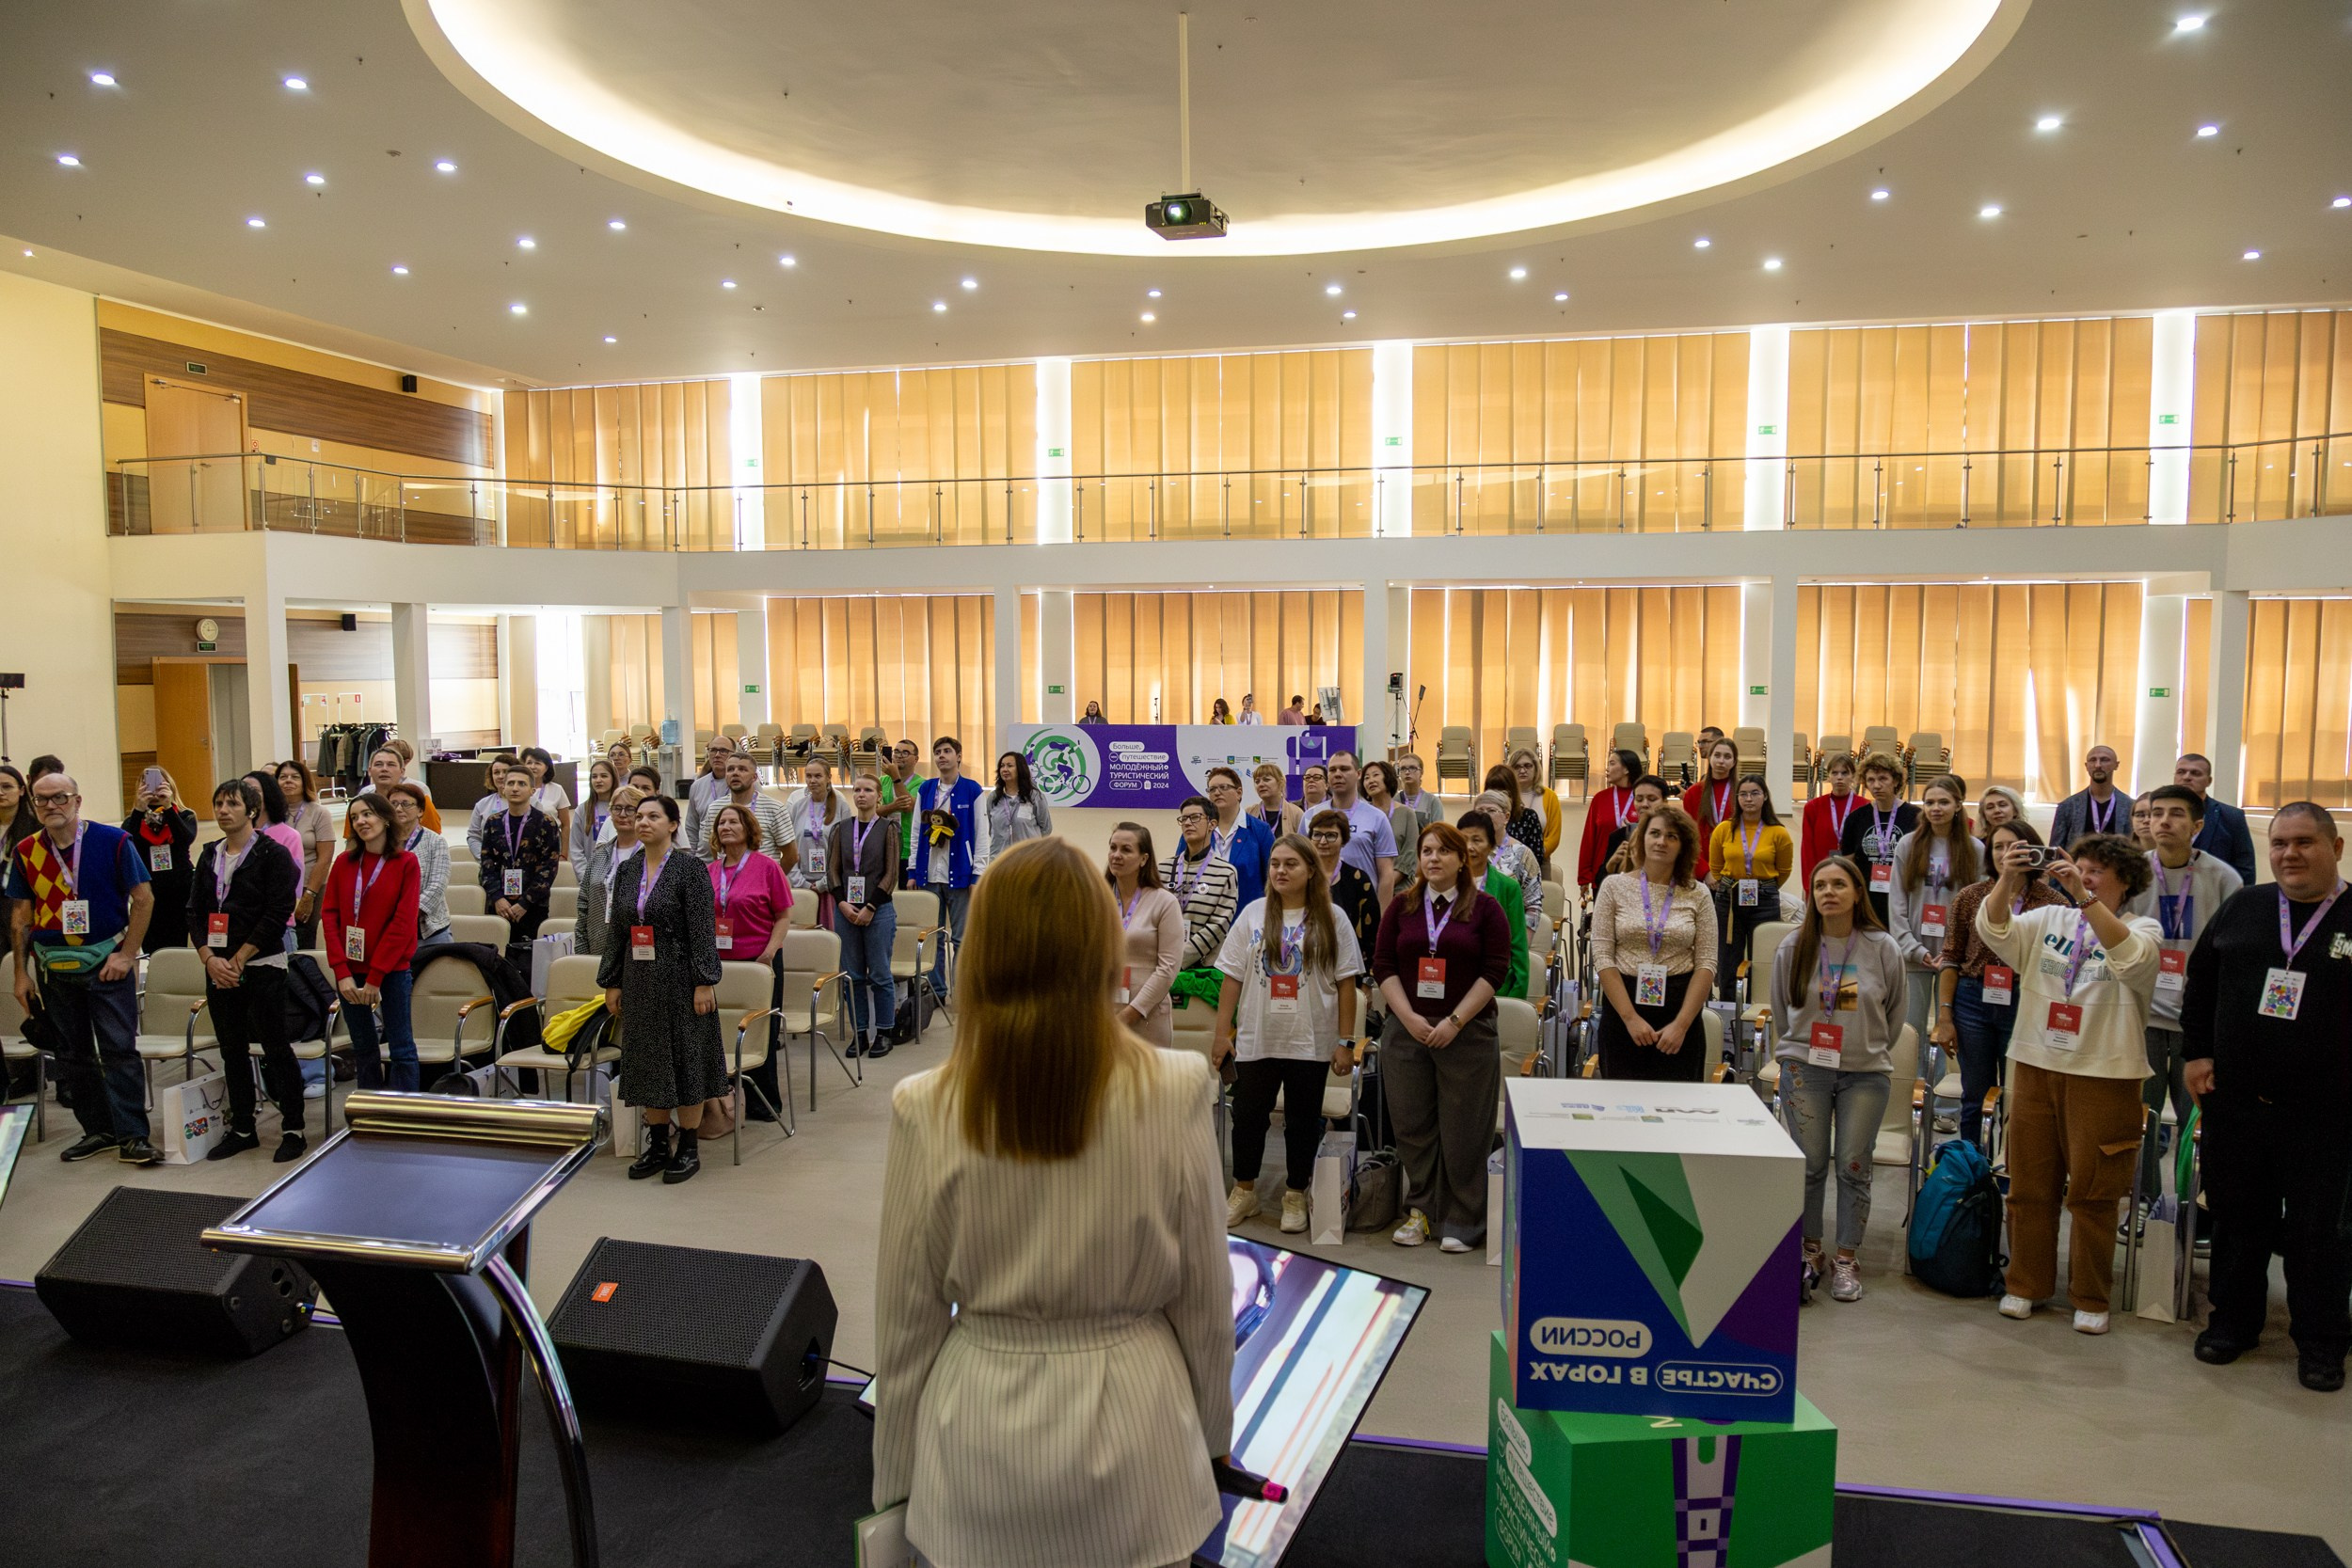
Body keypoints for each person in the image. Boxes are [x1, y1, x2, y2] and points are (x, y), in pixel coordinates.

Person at [871, 838, 1233, 1568]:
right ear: (1105, 949)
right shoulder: (1178, 1085)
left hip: (977, 1435)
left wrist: (896, 1488)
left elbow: (905, 1325)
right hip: (1139, 1430)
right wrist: (1212, 1440)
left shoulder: (924, 1104)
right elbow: (1204, 1301)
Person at [2181, 803, 2350, 1392]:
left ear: (2336, 848)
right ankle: (2233, 1324)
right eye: (2279, 843)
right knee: (2236, 1219)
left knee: (2317, 1231)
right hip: (2239, 1103)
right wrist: (2197, 1053)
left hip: (2326, 1114)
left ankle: (2323, 1341)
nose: (2289, 854)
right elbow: (2199, 983)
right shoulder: (2245, 908)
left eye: (2305, 842)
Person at [1977, 833, 2159, 1334]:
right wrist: (2008, 881)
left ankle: (2090, 1294)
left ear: (2126, 881)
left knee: (2095, 1192)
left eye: (2098, 870)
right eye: (2078, 866)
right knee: (2030, 1184)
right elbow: (1994, 931)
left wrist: (2084, 896)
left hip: (2106, 1073)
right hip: (2036, 1062)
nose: (2083, 874)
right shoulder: (2048, 920)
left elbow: (2132, 960)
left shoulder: (2143, 928)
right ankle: (2025, 1284)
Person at [1770, 856, 1907, 1304]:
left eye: (1839, 884)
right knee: (1809, 1165)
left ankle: (1847, 1257)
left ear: (1857, 892)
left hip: (1864, 1072)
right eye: (1820, 885)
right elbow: (1780, 1006)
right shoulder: (1794, 945)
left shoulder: (1882, 946)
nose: (1829, 892)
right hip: (1804, 1067)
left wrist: (1860, 1044)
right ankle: (1811, 1252)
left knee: (1852, 1165)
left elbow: (1896, 1013)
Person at [1374, 822, 1513, 1252]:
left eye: (1443, 851)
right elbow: (1383, 965)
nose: (1433, 858)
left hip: (1466, 1032)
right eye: (1426, 851)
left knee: (1464, 1130)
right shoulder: (1403, 906)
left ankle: (1465, 1219)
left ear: (1463, 858)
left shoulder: (1485, 908)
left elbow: (1495, 970)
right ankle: (1421, 1213)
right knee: (1414, 1127)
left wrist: (1454, 1021)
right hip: (1408, 1030)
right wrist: (1410, 1018)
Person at [7, 771, 157, 1164]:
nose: (51, 806)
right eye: (42, 800)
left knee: (118, 1050)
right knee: (71, 1055)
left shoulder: (114, 841)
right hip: (53, 969)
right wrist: (21, 974)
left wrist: (126, 954)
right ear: (33, 805)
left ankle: (133, 1136)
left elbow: (143, 900)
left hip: (106, 963)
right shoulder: (26, 851)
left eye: (60, 797)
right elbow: (21, 917)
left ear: (77, 800)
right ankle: (98, 1130)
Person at [1215, 832, 1361, 1234]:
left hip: (1310, 1039)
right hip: (1257, 1038)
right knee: (1247, 1117)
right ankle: (1244, 1190)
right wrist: (1221, 1033)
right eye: (1275, 863)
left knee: (1302, 1121)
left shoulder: (1334, 918)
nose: (1280, 870)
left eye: (1290, 864)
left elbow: (1348, 982)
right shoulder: (1253, 914)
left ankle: (1296, 1193)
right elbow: (1231, 976)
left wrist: (1346, 1042)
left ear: (1311, 870)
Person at [2124, 784, 2243, 1218]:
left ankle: (2194, 1207)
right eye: (2156, 813)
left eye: (2176, 814)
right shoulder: (2133, 873)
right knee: (2142, 1118)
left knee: (2198, 1124)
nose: (2163, 822)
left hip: (2198, 1023)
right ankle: (2143, 1201)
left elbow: (2234, 958)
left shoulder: (2224, 878)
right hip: (2143, 1016)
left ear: (2197, 826)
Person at [602, 793, 724, 1185]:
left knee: (686, 1060)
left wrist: (704, 981)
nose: (643, 822)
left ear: (673, 825)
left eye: (654, 816)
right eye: (639, 816)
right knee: (647, 1061)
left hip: (682, 978)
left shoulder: (690, 869)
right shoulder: (628, 870)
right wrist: (612, 981)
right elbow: (618, 932)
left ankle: (688, 1146)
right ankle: (658, 1145)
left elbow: (703, 931)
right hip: (639, 979)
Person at [187, 778, 306, 1163]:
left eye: (232, 804)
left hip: (262, 963)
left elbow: (278, 912)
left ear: (251, 811)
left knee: (275, 1047)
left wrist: (240, 958)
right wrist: (209, 958)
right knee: (232, 1049)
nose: (223, 810)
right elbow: (195, 911)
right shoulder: (209, 855)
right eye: (218, 803)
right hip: (219, 966)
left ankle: (293, 1128)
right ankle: (242, 1128)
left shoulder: (272, 854)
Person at [1933, 820, 2064, 1148]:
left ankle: (2012, 1171)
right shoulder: (1970, 897)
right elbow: (1950, 958)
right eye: (1997, 847)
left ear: (2032, 850)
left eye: (2014, 846)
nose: (2005, 854)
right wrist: (1945, 1017)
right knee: (1975, 1093)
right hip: (1972, 1000)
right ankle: (1973, 1170)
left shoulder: (2054, 903)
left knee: (2020, 1095)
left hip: (2024, 1000)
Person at [1590, 803, 1718, 1082]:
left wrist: (1681, 1026)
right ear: (1642, 838)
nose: (1661, 841)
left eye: (1671, 836)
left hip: (1679, 1013)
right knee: (1624, 1108)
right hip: (1624, 1009)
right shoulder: (1614, 886)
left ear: (1683, 845)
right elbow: (1602, 956)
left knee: (1678, 1111)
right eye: (1655, 833)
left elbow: (1707, 962)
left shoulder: (1699, 894)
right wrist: (1630, 1019)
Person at [322, 791, 421, 1092]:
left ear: (385, 818)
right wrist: (341, 973)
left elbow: (403, 924)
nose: (361, 821)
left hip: (390, 971)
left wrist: (376, 976)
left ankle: (403, 1117)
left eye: (367, 814)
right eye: (354, 817)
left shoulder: (406, 862)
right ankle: (370, 1114)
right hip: (350, 974)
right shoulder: (344, 862)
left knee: (401, 1048)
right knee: (364, 1049)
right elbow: (330, 916)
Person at [1885, 776, 1979, 1053]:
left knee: (1950, 1030)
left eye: (1943, 802)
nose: (1936, 808)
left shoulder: (1975, 849)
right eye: (1929, 802)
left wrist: (1955, 954)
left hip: (1956, 960)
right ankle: (1908, 1090)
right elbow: (1897, 902)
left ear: (1958, 805)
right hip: (1915, 955)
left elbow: (1978, 909)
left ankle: (1942, 1095)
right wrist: (1913, 949)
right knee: (1909, 1031)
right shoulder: (1907, 845)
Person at [708, 802, 794, 1104]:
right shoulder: (710, 871)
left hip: (760, 961)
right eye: (721, 823)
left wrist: (770, 953)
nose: (726, 827)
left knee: (759, 1031)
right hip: (720, 965)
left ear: (748, 829)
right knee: (722, 1031)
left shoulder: (767, 867)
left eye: (733, 822)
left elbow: (783, 916)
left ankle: (763, 1101)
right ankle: (726, 1101)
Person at [826, 775, 900, 1059]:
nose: (861, 795)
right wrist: (842, 903)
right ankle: (859, 1033)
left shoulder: (888, 829)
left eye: (868, 790)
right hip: (845, 911)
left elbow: (891, 873)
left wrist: (870, 907)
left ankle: (883, 1031)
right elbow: (833, 870)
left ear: (879, 797)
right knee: (853, 976)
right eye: (857, 790)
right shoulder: (841, 829)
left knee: (880, 974)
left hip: (878, 911)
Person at [1708, 775, 1795, 1003]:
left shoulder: (1778, 832)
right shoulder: (1724, 829)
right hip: (1729, 898)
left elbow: (1784, 870)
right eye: (1743, 794)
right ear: (1737, 799)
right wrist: (1730, 884)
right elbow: (1716, 867)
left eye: (1755, 793)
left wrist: (1763, 886)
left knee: (1762, 958)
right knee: (1728, 958)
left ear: (1765, 796)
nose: (1749, 799)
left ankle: (1756, 1009)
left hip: (1765, 899)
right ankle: (1728, 1012)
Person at [477, 762, 564, 969]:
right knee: (497, 963)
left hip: (532, 907)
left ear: (532, 790)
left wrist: (524, 903)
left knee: (528, 966)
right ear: (503, 788)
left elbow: (548, 869)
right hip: (499, 906)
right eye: (511, 783)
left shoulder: (546, 823)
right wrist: (497, 898)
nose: (515, 788)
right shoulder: (493, 822)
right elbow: (486, 865)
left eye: (522, 784)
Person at [915, 737, 985, 990]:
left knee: (961, 938)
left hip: (961, 877)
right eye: (937, 752)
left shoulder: (972, 789)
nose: (941, 756)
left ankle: (961, 991)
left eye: (947, 751)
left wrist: (978, 875)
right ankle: (937, 992)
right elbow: (916, 831)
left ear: (959, 756)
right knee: (933, 936)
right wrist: (913, 870)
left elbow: (982, 835)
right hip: (930, 875)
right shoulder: (925, 789)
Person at [1106, 822, 1184, 1049]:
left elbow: (1168, 968)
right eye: (1113, 848)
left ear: (1143, 858)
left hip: (1148, 1016)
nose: (1116, 855)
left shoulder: (1164, 902)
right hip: (1103, 1017)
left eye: (1126, 849)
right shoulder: (1098, 899)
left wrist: (1130, 1014)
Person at [1303, 751, 1398, 907]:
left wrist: (1381, 919)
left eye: (1344, 769)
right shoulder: (1310, 816)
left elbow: (1386, 874)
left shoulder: (1377, 817)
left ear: (1358, 774)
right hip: (1319, 905)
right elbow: (1303, 864)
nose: (1338, 774)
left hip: (1362, 906)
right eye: (1333, 770)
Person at [1837, 752, 1918, 926]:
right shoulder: (1856, 818)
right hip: (1866, 899)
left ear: (1896, 781)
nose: (1877, 785)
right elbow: (1848, 864)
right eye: (1871, 780)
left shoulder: (1916, 817)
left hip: (1904, 897)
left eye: (1883, 779)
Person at [122, 768, 199, 952]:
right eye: (147, 784)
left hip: (179, 888)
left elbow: (185, 838)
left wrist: (168, 807)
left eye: (160, 783)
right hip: (148, 890)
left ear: (170, 786)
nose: (154, 789)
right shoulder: (133, 820)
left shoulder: (185, 815)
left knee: (178, 944)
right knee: (151, 945)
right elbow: (127, 845)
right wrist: (139, 811)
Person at [1164, 796, 1242, 968]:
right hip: (1161, 964)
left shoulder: (1225, 873)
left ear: (1212, 825)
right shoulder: (1163, 869)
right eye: (1183, 818)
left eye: (1195, 817)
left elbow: (1219, 926)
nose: (1187, 823)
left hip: (1203, 969)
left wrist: (1178, 960)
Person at [1457, 814, 1527, 1000]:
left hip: (1497, 989)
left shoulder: (1508, 887)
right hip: (1454, 986)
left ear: (1491, 846)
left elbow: (1518, 946)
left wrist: (1516, 996)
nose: (1469, 847)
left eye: (1477, 840)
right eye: (1463, 840)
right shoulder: (1446, 884)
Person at [1471, 791, 1546, 955]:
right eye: (1479, 811)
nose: (1484, 816)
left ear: (1506, 817)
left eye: (1491, 811)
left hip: (1507, 938)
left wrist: (1520, 946)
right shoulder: (1466, 853)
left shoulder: (1523, 854)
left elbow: (1533, 906)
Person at [575, 784, 644, 958]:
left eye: (630, 809)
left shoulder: (652, 855)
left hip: (641, 947)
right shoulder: (599, 855)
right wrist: (582, 950)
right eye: (617, 808)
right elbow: (583, 906)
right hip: (599, 944)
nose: (622, 814)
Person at [385, 782, 453, 955]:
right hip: (387, 927)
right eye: (393, 804)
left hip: (429, 930)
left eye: (406, 804)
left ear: (421, 811)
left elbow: (437, 886)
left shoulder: (435, 842)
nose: (399, 809)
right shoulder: (380, 842)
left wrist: (404, 915)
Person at [2175, 752, 2260, 888]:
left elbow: (2245, 869)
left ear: (2209, 781)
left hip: (2216, 896)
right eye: (2181, 772)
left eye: (2195, 773)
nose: (2186, 777)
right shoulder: (2158, 814)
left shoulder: (2232, 816)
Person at [277, 759, 334, 949]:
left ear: (304, 782)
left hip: (310, 886)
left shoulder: (319, 813)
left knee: (305, 940)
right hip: (277, 888)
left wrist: (309, 895)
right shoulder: (269, 814)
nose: (288, 781)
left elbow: (325, 859)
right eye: (283, 777)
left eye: (295, 777)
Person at [1307, 810, 1380, 959]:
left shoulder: (1358, 880)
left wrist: (1367, 979)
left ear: (1344, 840)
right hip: (1306, 961)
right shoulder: (1301, 877)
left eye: (1331, 835)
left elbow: (1371, 933)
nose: (1322, 841)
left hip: (1349, 963)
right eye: (1317, 834)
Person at [1576, 748, 1647, 893]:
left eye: (1612, 763)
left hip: (1637, 874)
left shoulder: (1643, 798)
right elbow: (1589, 839)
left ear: (1626, 769)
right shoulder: (1600, 798)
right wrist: (1584, 877)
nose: (1607, 769)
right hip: (1603, 874)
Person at [1202, 765, 1273, 911]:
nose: (1217, 793)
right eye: (1212, 789)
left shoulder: (1260, 830)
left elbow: (1272, 878)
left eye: (1223, 787)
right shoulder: (1201, 829)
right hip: (1205, 918)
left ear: (1239, 792)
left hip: (1247, 916)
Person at [707, 750, 793, 867]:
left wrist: (772, 879)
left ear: (754, 777)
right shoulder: (714, 808)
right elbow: (714, 847)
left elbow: (791, 855)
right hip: (727, 882)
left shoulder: (774, 809)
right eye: (730, 769)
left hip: (762, 881)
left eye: (742, 769)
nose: (735, 773)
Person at [1800, 752, 1863, 890]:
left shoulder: (1864, 807)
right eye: (1835, 773)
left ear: (1853, 776)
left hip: (1854, 878)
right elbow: (1807, 851)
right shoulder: (1813, 807)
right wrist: (1809, 885)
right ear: (1828, 776)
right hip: (1823, 878)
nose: (1839, 777)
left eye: (1845, 773)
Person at [1680, 737, 1741, 878]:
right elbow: (1690, 836)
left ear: (1734, 761)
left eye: (1727, 757)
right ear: (1710, 757)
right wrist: (1705, 871)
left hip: (1735, 864)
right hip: (1702, 865)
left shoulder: (1742, 792)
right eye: (1717, 755)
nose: (1721, 761)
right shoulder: (1694, 793)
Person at [2049, 744, 2129, 850]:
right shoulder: (2068, 806)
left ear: (2116, 765)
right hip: (2076, 865)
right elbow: (2055, 850)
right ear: (2086, 766)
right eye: (2093, 760)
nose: (2098, 765)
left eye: (2105, 760)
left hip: (2117, 865)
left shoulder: (2130, 806)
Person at [982, 751, 1054, 862]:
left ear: (1020, 769)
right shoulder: (993, 797)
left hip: (1028, 862)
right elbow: (992, 829)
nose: (1005, 769)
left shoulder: (1034, 796)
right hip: (1000, 861)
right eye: (1002, 766)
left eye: (1010, 766)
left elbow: (1046, 829)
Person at [359, 746, 441, 834]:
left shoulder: (418, 794)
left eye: (391, 764)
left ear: (402, 771)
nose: (384, 769)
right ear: (369, 771)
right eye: (378, 764)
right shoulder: (363, 797)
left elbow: (434, 836)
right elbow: (352, 839)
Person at [1510, 747, 1564, 878]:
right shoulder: (1506, 796)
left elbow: (1554, 836)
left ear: (1536, 768)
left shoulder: (1550, 796)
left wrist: (1535, 854)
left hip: (1540, 861)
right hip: (1508, 860)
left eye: (1528, 766)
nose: (1522, 770)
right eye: (1517, 767)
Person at [1601, 775, 1672, 874]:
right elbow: (1600, 881)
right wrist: (1612, 864)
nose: (1644, 804)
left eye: (1652, 799)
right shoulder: (1619, 836)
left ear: (1665, 801)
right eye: (1639, 799)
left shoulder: (1676, 835)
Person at [1484, 764, 1547, 872]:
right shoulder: (1479, 818)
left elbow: (1536, 859)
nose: (1498, 796)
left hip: (1518, 879)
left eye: (1502, 791)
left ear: (1512, 791)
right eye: (1493, 791)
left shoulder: (1528, 817)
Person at [681, 733, 737, 849]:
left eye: (723, 751)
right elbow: (692, 827)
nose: (717, 755)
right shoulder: (697, 785)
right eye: (713, 750)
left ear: (734, 755)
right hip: (704, 858)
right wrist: (693, 859)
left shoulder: (745, 784)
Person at [570, 757, 620, 880]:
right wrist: (585, 876)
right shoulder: (583, 810)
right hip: (590, 876)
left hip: (619, 875)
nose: (598, 780)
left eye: (604, 776)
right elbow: (576, 848)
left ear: (613, 779)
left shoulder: (622, 808)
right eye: (594, 777)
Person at [880, 738, 924, 876]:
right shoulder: (881, 781)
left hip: (909, 850)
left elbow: (907, 806)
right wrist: (892, 807)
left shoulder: (922, 784)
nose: (899, 755)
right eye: (896, 751)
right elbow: (872, 812)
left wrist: (895, 778)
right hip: (884, 848)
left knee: (907, 895)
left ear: (916, 759)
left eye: (905, 753)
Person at [516, 746, 574, 847]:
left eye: (537, 763)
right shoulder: (517, 789)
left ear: (546, 767)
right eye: (529, 763)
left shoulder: (557, 789)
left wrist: (564, 852)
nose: (533, 766)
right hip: (522, 844)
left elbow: (565, 825)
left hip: (551, 844)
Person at [465, 752, 517, 857]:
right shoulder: (482, 804)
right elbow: (473, 836)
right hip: (490, 865)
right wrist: (484, 858)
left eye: (505, 772)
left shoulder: (532, 802)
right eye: (496, 772)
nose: (501, 776)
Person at [1392, 752, 1443, 841]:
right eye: (1403, 769)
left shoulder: (1432, 801)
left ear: (1421, 772)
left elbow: (1440, 834)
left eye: (1412, 768)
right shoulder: (1394, 801)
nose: (1407, 772)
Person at [1248, 762, 1301, 837]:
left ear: (1280, 783)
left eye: (1266, 780)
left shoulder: (1296, 813)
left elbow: (1304, 846)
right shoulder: (1249, 813)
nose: (1261, 784)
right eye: (1257, 781)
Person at [1975, 784, 2024, 849]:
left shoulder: (2028, 841)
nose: (1997, 810)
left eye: (2002, 805)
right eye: (1990, 807)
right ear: (1984, 815)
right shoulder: (1978, 846)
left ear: (2015, 810)